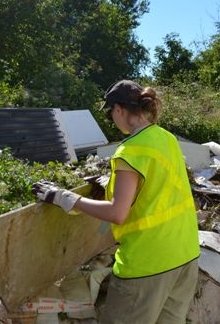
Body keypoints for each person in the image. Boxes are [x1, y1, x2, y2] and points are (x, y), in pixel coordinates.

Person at [33, 80, 200, 324]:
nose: (112, 119)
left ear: (119, 110)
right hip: (185, 255)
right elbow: (156, 188)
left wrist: (65, 198)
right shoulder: (166, 138)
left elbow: (118, 212)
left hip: (147, 264)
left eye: (111, 113)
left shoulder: (130, 151)